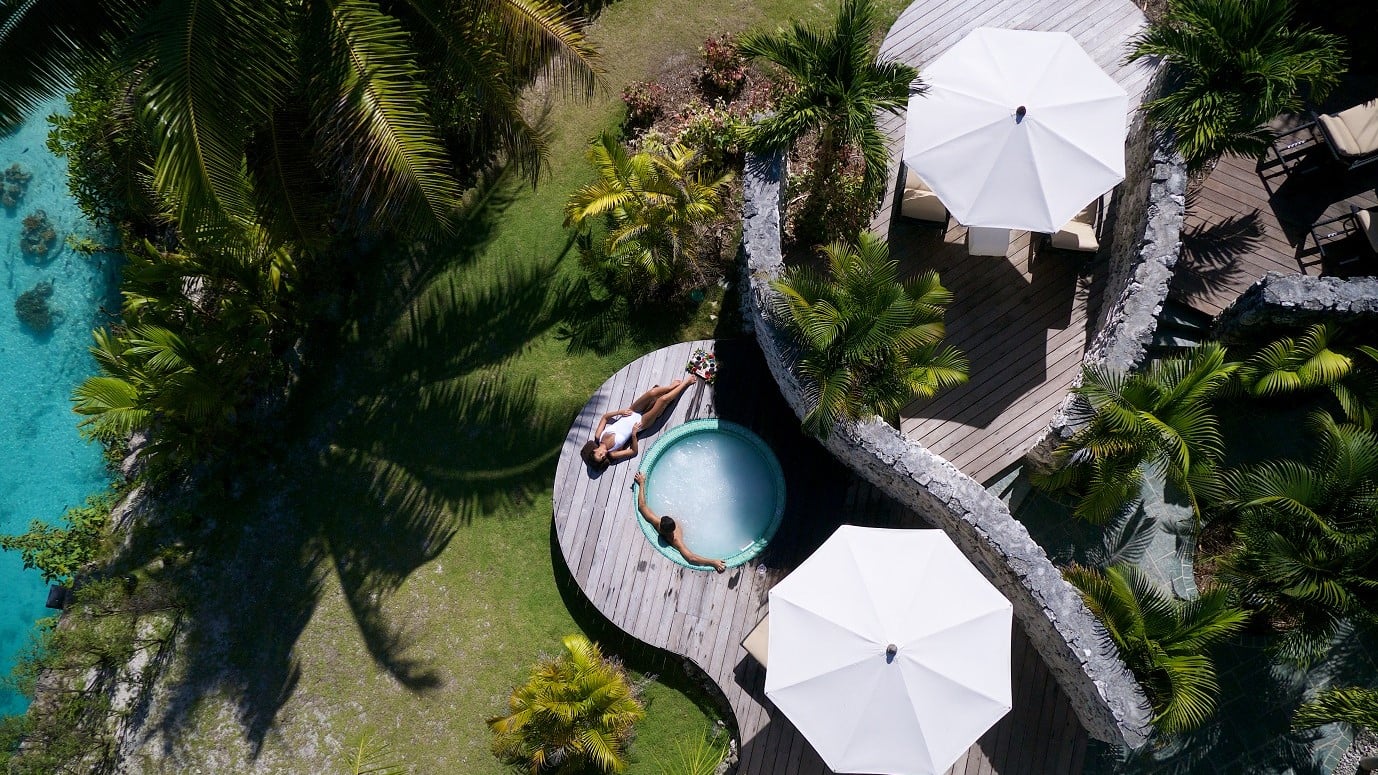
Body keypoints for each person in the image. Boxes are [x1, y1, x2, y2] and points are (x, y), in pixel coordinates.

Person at [580, 376, 697, 470]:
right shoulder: (613, 453)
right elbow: (633, 452)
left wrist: (620, 412)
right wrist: (634, 434)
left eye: (600, 454)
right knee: (662, 400)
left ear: (595, 450)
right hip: (641, 423)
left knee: (652, 392)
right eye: (603, 458)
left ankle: (670, 387)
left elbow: (605, 417)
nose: (604, 455)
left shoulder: (598, 436)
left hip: (631, 412)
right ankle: (685, 384)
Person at [633, 471, 726, 573]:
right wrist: (642, 483)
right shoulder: (657, 522)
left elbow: (691, 558)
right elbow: (642, 506)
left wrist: (713, 562)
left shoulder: (676, 540)